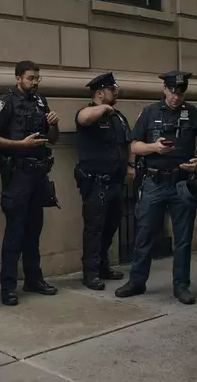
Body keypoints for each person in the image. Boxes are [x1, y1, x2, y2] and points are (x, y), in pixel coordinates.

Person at [115, 70, 197, 305]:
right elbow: (135, 146)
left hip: (182, 184)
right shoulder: (149, 113)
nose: (176, 97)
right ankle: (137, 281)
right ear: (164, 90)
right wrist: (154, 148)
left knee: (183, 238)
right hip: (154, 182)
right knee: (144, 234)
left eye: (180, 93)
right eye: (172, 92)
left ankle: (181, 285)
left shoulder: (193, 114)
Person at [0, 60, 60, 306]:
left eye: (38, 78)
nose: (35, 82)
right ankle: (8, 287)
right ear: (18, 78)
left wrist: (54, 123)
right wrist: (21, 145)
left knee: (33, 231)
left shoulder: (40, 101)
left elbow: (53, 140)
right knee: (15, 233)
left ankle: (33, 279)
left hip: (38, 175)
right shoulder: (4, 102)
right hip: (17, 176)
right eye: (30, 78)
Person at [74, 72, 134, 290]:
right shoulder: (88, 112)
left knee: (111, 226)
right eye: (112, 90)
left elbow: (129, 143)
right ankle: (90, 272)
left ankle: (102, 265)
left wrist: (130, 165)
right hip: (95, 183)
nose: (115, 93)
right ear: (99, 93)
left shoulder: (118, 117)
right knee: (94, 228)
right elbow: (84, 118)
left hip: (116, 182)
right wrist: (103, 108)